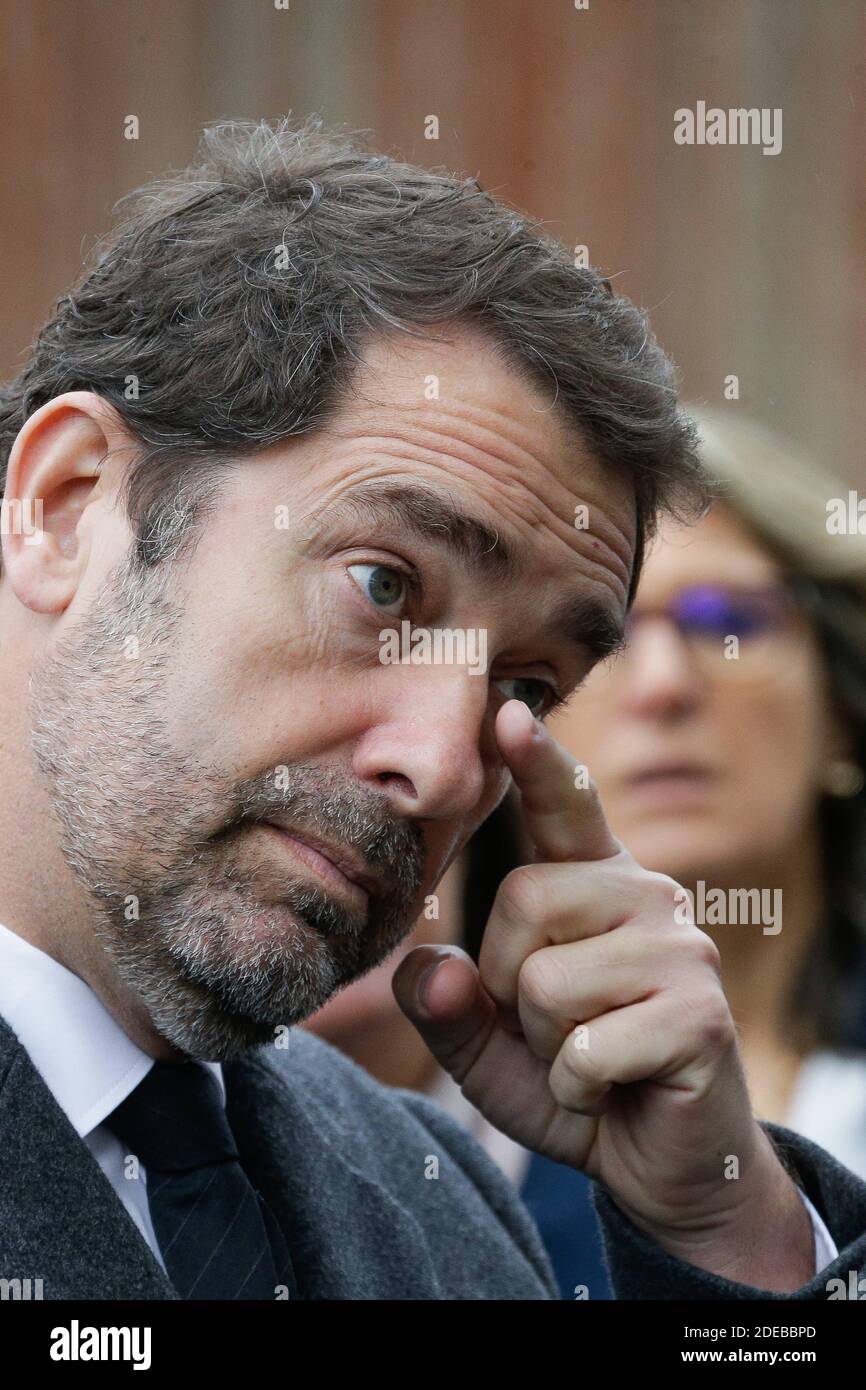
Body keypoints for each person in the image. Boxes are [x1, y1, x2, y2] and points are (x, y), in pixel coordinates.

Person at [0, 115, 864, 1302]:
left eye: (524, 688)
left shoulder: (437, 1204)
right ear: (67, 504)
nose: (449, 767)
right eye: (382, 586)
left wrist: (730, 1243)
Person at [549, 408, 866, 1177]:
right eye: (606, 637)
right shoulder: (461, 1091)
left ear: (841, 713)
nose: (662, 687)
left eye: (727, 621)